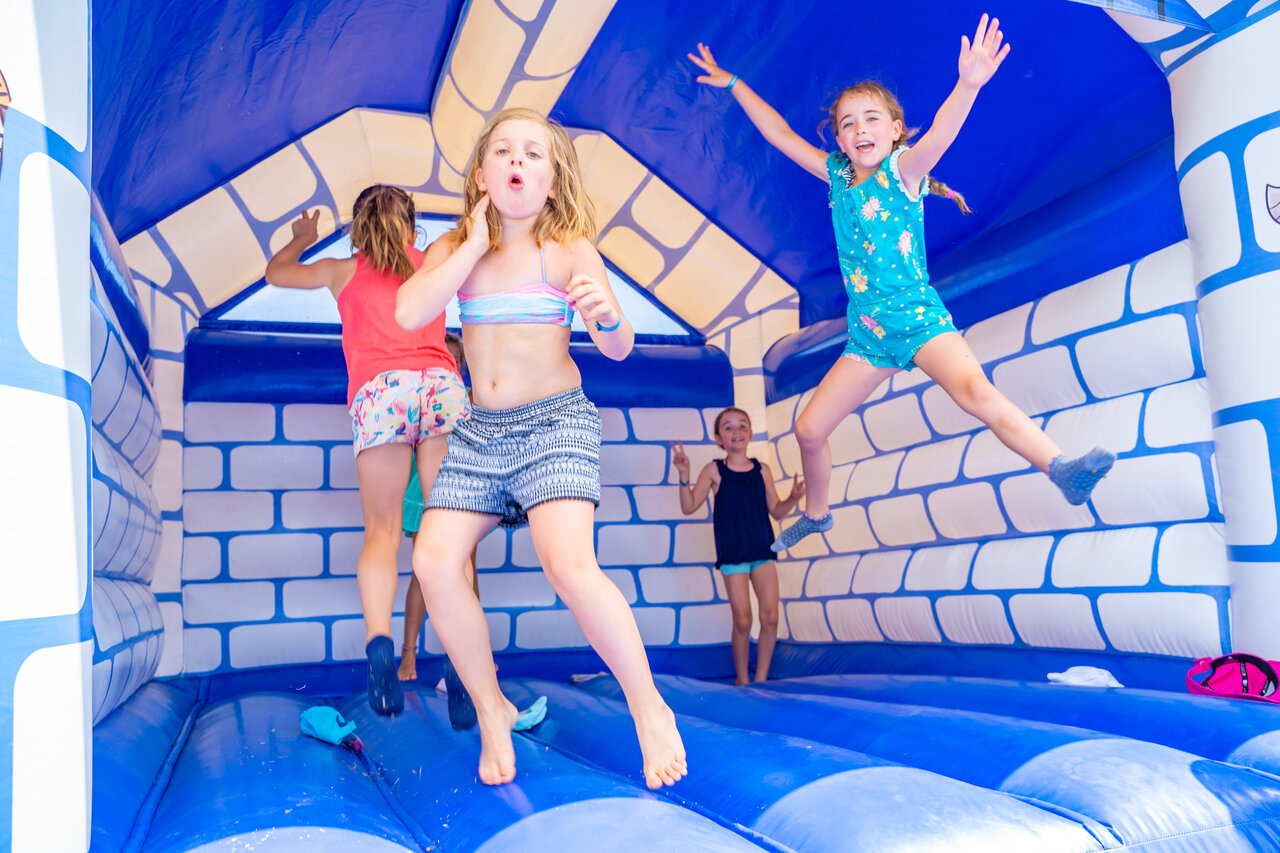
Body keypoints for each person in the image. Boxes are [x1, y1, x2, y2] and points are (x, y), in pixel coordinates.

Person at [687, 15, 1115, 553]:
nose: (859, 129)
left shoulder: (905, 171)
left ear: (894, 129)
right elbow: (778, 134)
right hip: (868, 338)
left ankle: (1060, 468)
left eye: (871, 119)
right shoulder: (837, 178)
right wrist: (734, 83)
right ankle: (817, 516)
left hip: (918, 322)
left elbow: (942, 131)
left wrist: (969, 83)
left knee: (976, 393)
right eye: (847, 123)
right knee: (809, 430)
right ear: (839, 139)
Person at [394, 107, 687, 790]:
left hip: (555, 421)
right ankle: (492, 706)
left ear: (552, 181)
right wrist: (469, 244)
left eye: (532, 152)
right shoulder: (455, 250)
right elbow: (411, 313)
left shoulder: (567, 248)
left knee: (568, 563)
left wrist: (606, 315)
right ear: (483, 173)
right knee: (434, 560)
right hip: (480, 431)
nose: (516, 159)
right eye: (502, 150)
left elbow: (618, 347)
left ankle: (649, 707)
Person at [264, 185, 468, 716]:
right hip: (440, 385)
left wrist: (302, 241)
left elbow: (275, 275)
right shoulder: (430, 262)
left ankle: (381, 643)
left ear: (356, 229)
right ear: (410, 227)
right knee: (453, 535)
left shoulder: (341, 270)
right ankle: (463, 662)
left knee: (382, 533)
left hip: (381, 394)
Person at [671, 407, 802, 684]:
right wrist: (684, 474)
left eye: (742, 425)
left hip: (763, 550)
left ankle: (762, 678)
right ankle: (742, 680)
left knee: (770, 617)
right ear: (719, 439)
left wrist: (793, 498)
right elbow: (689, 506)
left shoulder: (761, 470)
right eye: (728, 427)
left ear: (751, 434)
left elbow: (776, 511)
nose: (737, 431)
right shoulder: (714, 470)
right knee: (743, 620)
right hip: (733, 554)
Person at [398, 332, 481, 730]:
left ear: (461, 365)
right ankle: (409, 653)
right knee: (425, 570)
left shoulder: (467, 395)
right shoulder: (418, 392)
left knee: (466, 568)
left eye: (453, 359)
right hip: (424, 487)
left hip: (463, 487)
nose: (447, 364)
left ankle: (468, 657)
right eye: (440, 357)